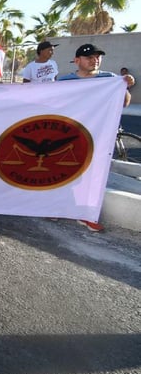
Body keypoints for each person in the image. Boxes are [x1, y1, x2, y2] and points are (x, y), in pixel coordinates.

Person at [57, 43, 135, 232]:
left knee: (93, 176)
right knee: (62, 171)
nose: (95, 60)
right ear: (77, 61)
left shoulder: (109, 79)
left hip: (98, 137)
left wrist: (124, 85)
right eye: (89, 57)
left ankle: (87, 215)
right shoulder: (65, 81)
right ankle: (57, 208)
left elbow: (124, 103)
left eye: (97, 57)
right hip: (70, 135)